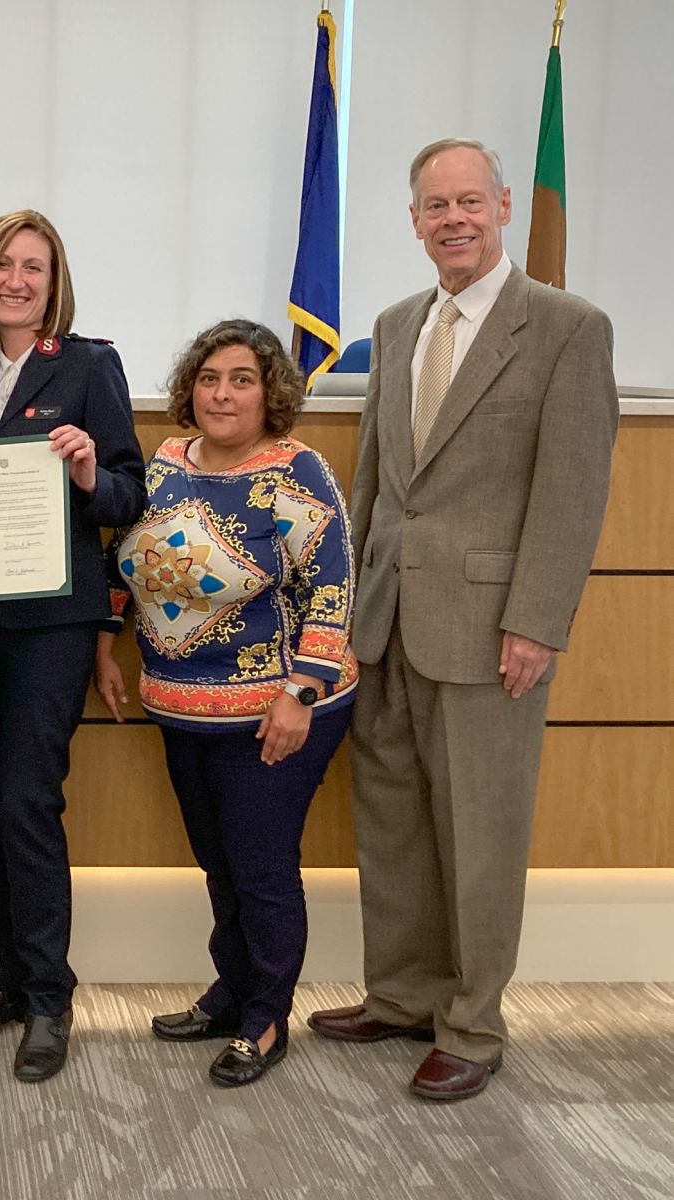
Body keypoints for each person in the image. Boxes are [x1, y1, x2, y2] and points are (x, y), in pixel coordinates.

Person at [307, 139, 618, 1101]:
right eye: (434, 206)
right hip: (388, 617)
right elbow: (374, 484)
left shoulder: (564, 326)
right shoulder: (397, 324)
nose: (452, 219)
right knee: (392, 820)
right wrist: (347, 614)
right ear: (413, 220)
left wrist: (536, 622)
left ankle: (473, 1026)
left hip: (492, 631)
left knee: (481, 833)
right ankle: (401, 995)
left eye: (468, 202)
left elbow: (571, 489)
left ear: (503, 206)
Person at [95, 319, 356, 1087]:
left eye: (241, 379)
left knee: (261, 869)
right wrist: (106, 638)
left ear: (269, 391)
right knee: (218, 864)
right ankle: (229, 991)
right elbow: (131, 561)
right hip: (180, 709)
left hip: (274, 713)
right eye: (209, 378)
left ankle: (265, 1018)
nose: (222, 393)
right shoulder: (167, 462)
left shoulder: (295, 474)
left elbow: (333, 593)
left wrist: (300, 693)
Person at [0, 210, 145, 1082]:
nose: (18, 281)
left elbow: (130, 497)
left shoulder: (88, 365)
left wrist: (91, 471)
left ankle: (49, 995)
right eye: (4, 266)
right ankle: (6, 978)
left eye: (35, 268)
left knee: (27, 798)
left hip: (51, 626)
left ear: (54, 285)